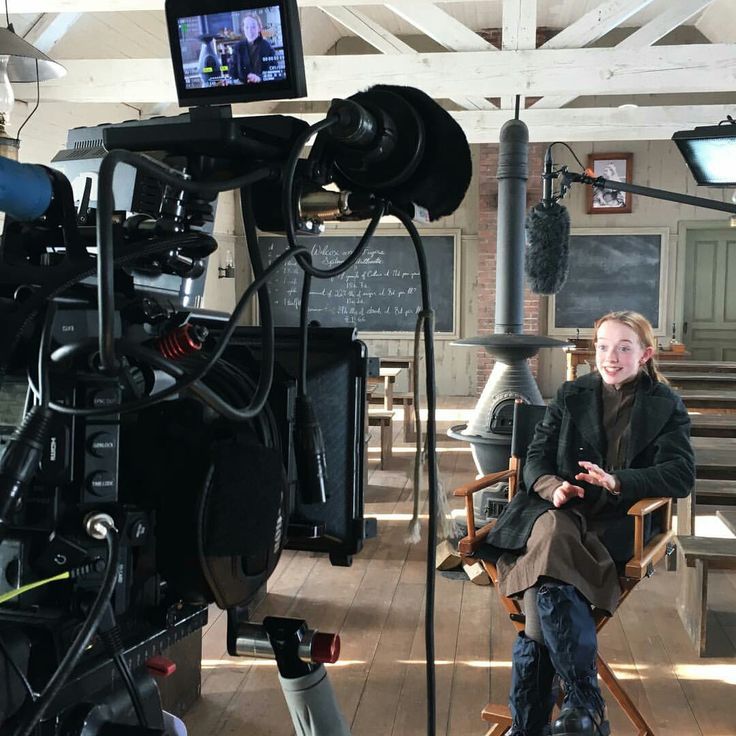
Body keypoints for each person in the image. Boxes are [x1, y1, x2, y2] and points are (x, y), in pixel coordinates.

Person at [485, 310, 695, 736]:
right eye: (602, 347)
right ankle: (584, 705)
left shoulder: (665, 404)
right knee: (551, 533)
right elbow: (537, 458)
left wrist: (619, 481)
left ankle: (528, 726)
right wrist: (551, 487)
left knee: (546, 581)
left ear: (645, 354)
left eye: (623, 347)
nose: (610, 357)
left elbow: (681, 474)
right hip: (562, 511)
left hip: (618, 523)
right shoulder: (571, 394)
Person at [232, 14, 275, 84]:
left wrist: (260, 78)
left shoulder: (267, 46)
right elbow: (232, 71)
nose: (250, 31)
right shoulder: (238, 47)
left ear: (259, 28)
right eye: (247, 27)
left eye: (253, 27)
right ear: (243, 29)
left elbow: (274, 70)